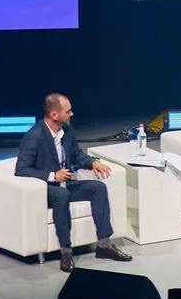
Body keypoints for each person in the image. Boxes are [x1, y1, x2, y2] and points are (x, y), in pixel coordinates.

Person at [15, 93, 132, 272]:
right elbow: (22, 169)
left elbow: (77, 154)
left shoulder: (67, 131)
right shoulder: (35, 135)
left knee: (98, 188)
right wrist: (52, 176)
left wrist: (93, 162)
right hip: (45, 189)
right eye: (68, 111)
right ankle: (66, 252)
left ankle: (104, 246)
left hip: (66, 184)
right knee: (62, 194)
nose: (72, 114)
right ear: (54, 114)